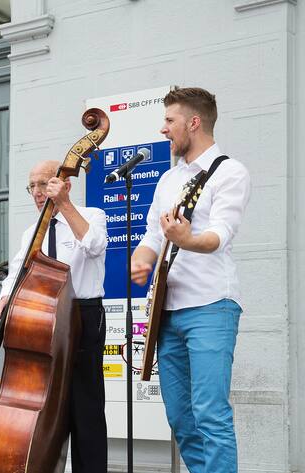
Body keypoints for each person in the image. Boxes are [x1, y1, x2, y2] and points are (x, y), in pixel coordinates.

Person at [131, 87, 250, 473]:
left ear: (194, 122)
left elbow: (219, 235)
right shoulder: (168, 179)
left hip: (211, 306)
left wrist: (187, 240)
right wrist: (141, 258)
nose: (163, 128)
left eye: (170, 120)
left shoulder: (229, 172)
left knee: (210, 413)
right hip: (168, 312)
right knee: (181, 417)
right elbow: (153, 235)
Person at [0, 160, 108, 473]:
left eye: (43, 184)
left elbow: (95, 246)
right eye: (31, 186)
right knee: (47, 405)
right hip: (43, 320)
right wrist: (5, 296)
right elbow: (18, 270)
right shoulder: (32, 232)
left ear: (65, 185)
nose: (36, 192)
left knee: (86, 408)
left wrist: (65, 205)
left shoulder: (91, 215)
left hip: (82, 315)